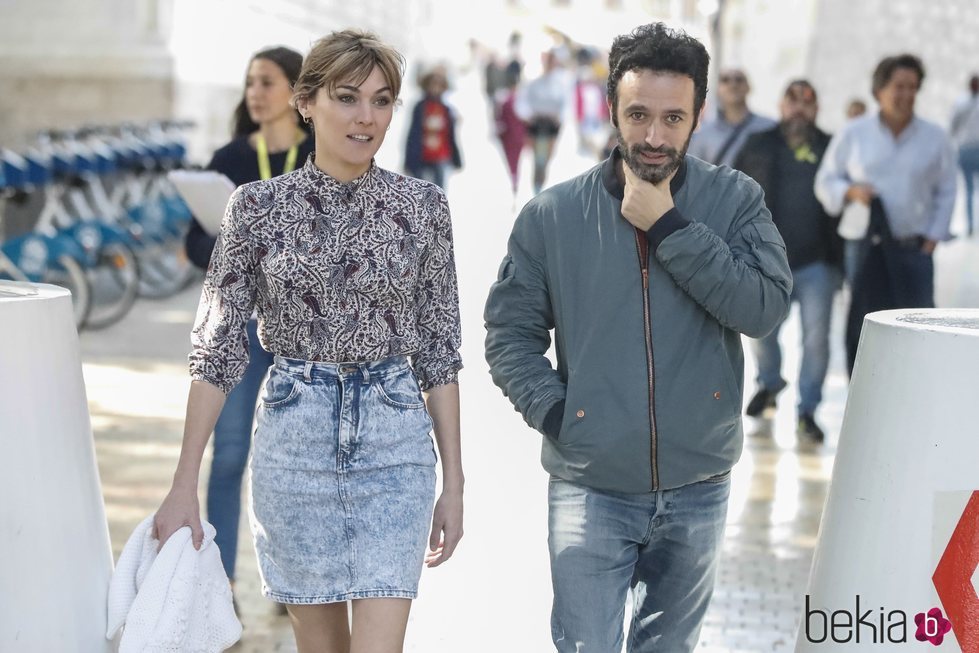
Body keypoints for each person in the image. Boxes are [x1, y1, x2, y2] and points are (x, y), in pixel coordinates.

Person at [484, 22, 792, 652]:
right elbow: (508, 334)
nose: (654, 137)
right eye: (639, 115)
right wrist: (559, 413)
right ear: (611, 110)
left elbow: (763, 309)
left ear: (699, 114)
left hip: (698, 483)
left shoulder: (735, 201)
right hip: (590, 481)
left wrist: (672, 228)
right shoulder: (552, 215)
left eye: (673, 117)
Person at [156, 29, 464, 652]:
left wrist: (453, 483)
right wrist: (183, 481)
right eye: (347, 97)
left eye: (382, 101)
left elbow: (439, 349)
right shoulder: (255, 208)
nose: (366, 117)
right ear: (307, 102)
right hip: (294, 439)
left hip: (394, 441)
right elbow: (217, 347)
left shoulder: (423, 207)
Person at [182, 45, 314, 603]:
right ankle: (221, 583)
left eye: (266, 82)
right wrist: (232, 241)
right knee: (230, 451)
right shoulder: (228, 158)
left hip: (301, 332)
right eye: (250, 83)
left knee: (294, 459)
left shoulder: (319, 154)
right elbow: (193, 243)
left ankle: (295, 583)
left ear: (296, 91)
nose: (254, 94)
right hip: (239, 328)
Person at [815, 54, 957, 371]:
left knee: (920, 329)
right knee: (868, 324)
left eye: (912, 87)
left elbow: (947, 189)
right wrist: (851, 192)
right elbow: (825, 181)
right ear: (879, 90)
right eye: (898, 86)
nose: (906, 94)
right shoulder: (854, 133)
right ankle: (866, 388)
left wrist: (933, 237)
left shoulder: (935, 138)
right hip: (865, 248)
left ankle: (917, 393)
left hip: (914, 248)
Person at [734, 80, 842, 443]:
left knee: (816, 341)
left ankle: (808, 410)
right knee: (762, 332)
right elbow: (734, 191)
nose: (799, 108)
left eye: (807, 102)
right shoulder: (758, 144)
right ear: (781, 105)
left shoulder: (831, 147)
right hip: (767, 261)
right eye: (792, 100)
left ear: (817, 109)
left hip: (818, 262)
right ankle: (769, 384)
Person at [688, 68, 775, 167]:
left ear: (749, 87)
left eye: (739, 79)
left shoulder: (768, 127)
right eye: (725, 80)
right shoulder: (702, 134)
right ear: (717, 90)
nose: (733, 85)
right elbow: (694, 173)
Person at [516, 50, 567, 194]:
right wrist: (530, 115)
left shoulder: (560, 82)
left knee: (546, 160)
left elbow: (566, 105)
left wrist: (558, 117)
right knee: (538, 159)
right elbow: (522, 103)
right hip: (536, 125)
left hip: (552, 126)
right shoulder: (532, 80)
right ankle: (536, 188)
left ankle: (541, 185)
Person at [404, 66, 462, 189]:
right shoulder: (420, 107)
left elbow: (450, 135)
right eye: (433, 85)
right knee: (420, 191)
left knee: (439, 191)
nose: (435, 89)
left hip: (441, 156)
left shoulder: (446, 109)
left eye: (439, 85)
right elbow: (413, 133)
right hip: (422, 155)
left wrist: (457, 159)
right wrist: (408, 160)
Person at [950, 74, 979, 235]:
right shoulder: (962, 103)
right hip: (968, 149)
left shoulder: (961, 103)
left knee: (970, 191)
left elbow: (952, 127)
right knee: (969, 190)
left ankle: (972, 225)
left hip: (967, 149)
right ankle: (971, 225)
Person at [494, 72, 527, 197]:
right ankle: (515, 181)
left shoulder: (505, 99)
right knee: (518, 160)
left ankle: (513, 180)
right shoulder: (519, 100)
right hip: (518, 135)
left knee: (510, 161)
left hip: (508, 135)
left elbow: (499, 118)